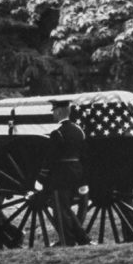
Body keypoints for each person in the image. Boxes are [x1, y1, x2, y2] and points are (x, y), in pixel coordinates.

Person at [38, 98, 90, 246]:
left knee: (60, 210)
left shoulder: (57, 133)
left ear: (60, 111)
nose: (53, 113)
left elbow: (50, 158)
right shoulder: (78, 131)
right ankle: (83, 239)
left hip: (61, 176)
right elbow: (85, 156)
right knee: (66, 209)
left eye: (54, 110)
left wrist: (41, 178)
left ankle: (67, 240)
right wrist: (84, 180)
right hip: (77, 174)